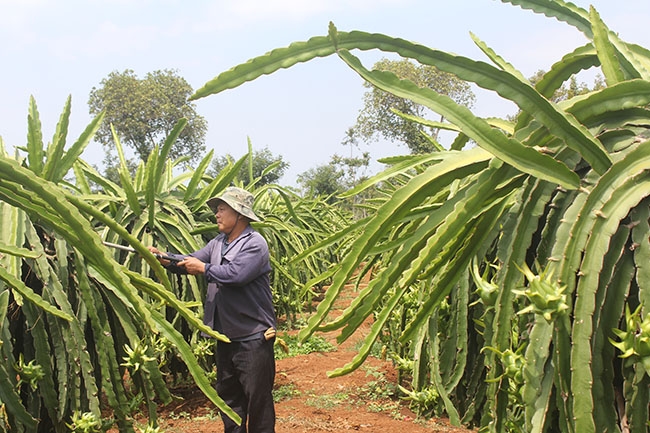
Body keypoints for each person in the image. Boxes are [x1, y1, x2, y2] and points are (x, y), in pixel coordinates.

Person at [149, 187, 276, 433]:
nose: (216, 215)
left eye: (221, 209)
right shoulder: (218, 243)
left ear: (239, 213)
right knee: (229, 400)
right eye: (217, 210)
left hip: (252, 337)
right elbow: (190, 260)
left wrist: (204, 269)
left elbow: (236, 274)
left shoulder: (254, 244)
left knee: (257, 401)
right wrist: (164, 258)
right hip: (225, 335)